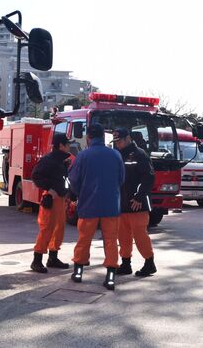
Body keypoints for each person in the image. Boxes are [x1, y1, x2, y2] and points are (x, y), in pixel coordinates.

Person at [68, 123, 125, 291]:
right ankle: (111, 276)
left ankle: (78, 271)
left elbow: (74, 180)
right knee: (111, 240)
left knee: (84, 239)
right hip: (111, 205)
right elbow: (121, 179)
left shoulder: (83, 155)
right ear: (104, 136)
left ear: (88, 138)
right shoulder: (115, 155)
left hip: (88, 205)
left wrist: (81, 195)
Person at [112, 128, 157, 277]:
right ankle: (125, 264)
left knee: (140, 235)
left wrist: (139, 197)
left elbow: (148, 177)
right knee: (123, 235)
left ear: (127, 139)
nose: (117, 144)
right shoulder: (117, 155)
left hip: (137, 204)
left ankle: (149, 263)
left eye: (119, 141)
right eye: (115, 142)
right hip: (122, 204)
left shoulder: (140, 154)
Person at [29, 134, 72, 273]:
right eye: (67, 144)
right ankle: (36, 261)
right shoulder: (48, 160)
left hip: (60, 199)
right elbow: (35, 176)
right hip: (51, 199)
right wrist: (50, 189)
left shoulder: (62, 160)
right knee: (47, 229)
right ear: (61, 145)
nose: (69, 146)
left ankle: (52, 258)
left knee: (58, 230)